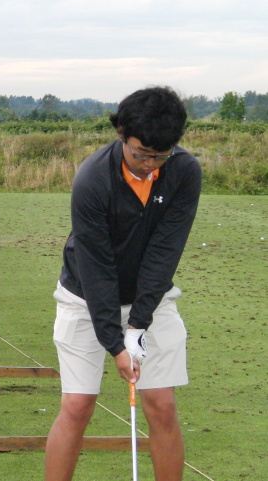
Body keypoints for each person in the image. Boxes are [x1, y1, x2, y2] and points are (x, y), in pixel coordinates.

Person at [44, 86, 201, 481]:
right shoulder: (92, 179)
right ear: (121, 134)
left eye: (160, 156)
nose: (149, 164)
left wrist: (138, 325)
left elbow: (163, 254)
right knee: (78, 405)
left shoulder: (183, 171)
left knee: (161, 404)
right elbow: (96, 268)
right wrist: (116, 343)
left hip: (151, 299)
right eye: (140, 153)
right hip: (85, 298)